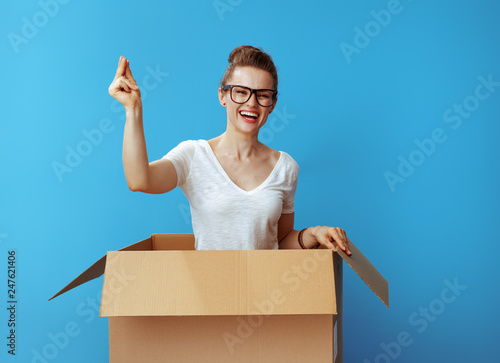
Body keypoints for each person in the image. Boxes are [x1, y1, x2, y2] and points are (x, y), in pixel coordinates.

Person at [108, 45, 351, 255]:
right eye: (241, 92)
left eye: (262, 95)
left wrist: (312, 234)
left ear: (272, 104)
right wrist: (133, 109)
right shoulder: (194, 156)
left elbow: (279, 244)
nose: (251, 103)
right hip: (213, 297)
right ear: (223, 96)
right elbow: (140, 180)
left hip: (267, 299)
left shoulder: (285, 167)